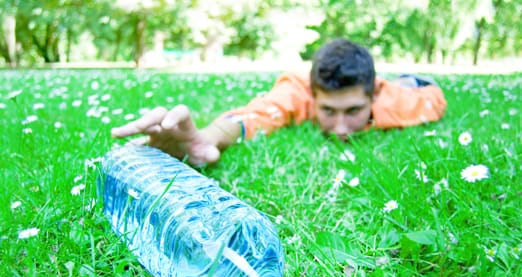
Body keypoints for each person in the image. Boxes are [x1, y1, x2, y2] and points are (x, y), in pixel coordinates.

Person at [111, 39, 447, 166]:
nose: (341, 127)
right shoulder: (297, 91)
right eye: (328, 111)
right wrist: (208, 137)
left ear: (373, 94)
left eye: (354, 111)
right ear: (313, 95)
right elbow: (256, 116)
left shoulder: (397, 101)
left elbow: (434, 97)